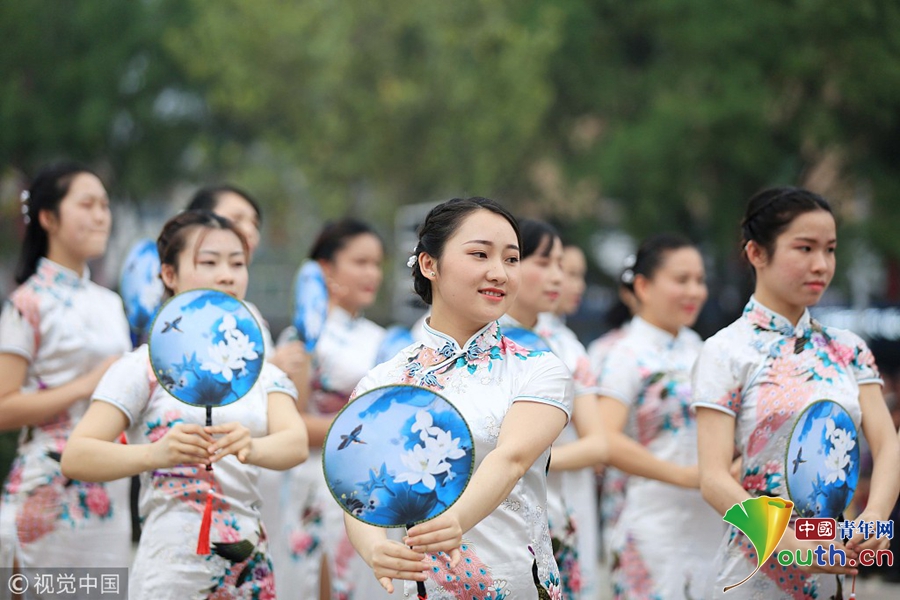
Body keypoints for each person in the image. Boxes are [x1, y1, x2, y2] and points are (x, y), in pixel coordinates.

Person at [62, 209, 309, 599]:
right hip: (171, 570)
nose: (227, 275)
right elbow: (77, 455)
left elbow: (295, 443)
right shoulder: (143, 365)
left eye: (238, 263)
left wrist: (252, 446)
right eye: (209, 262)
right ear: (169, 275)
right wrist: (155, 454)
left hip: (249, 569)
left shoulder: (259, 365)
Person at [344, 197, 573, 598]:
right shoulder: (382, 382)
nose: (499, 273)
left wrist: (456, 520)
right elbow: (358, 489)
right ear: (429, 264)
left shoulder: (538, 369)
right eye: (480, 254)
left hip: (516, 584)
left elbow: (511, 459)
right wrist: (374, 548)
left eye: (512, 259)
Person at [693, 187, 900, 599]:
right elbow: (714, 477)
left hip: (833, 565)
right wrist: (789, 546)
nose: (821, 265)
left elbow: (886, 442)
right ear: (756, 253)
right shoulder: (727, 351)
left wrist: (875, 517)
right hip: (755, 570)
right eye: (804, 248)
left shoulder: (848, 348)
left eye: (830, 249)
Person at [0, 162, 132, 573]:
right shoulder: (28, 303)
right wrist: (90, 383)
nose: (100, 216)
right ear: (48, 218)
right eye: (87, 204)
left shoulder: (110, 302)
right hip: (49, 492)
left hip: (110, 487)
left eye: (105, 206)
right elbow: (3, 407)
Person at [596, 233, 721, 598]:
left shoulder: (702, 349)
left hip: (710, 520)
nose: (694, 291)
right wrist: (683, 476)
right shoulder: (624, 353)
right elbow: (605, 438)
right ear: (644, 286)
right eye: (681, 280)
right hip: (652, 520)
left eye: (699, 281)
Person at [274, 218, 391, 600]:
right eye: (360, 262)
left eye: (377, 263)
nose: (372, 273)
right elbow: (288, 420)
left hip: (370, 482)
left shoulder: (381, 338)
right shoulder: (301, 336)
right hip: (311, 480)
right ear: (325, 267)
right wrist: (367, 432)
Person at [498, 219, 606, 599]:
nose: (557, 276)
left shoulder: (566, 345)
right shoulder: (478, 337)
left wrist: (525, 458)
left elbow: (598, 444)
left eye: (561, 265)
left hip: (559, 508)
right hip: (491, 512)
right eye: (543, 262)